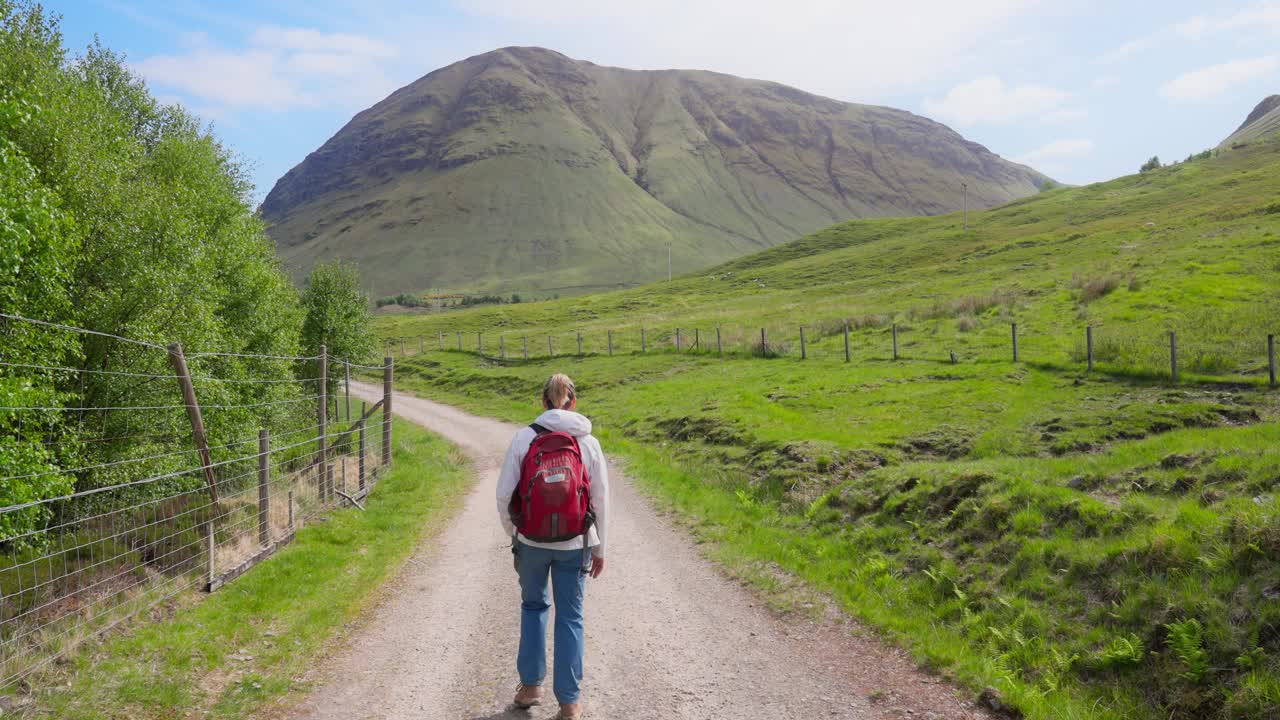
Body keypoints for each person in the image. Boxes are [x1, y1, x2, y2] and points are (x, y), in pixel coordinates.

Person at [496, 373, 609, 720]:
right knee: (571, 617)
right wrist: (599, 548)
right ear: (573, 402)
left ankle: (530, 687)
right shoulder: (587, 442)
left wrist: (515, 533)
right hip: (576, 542)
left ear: (542, 402)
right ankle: (570, 703)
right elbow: (602, 499)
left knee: (533, 607)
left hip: (531, 540)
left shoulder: (524, 438)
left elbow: (503, 496)